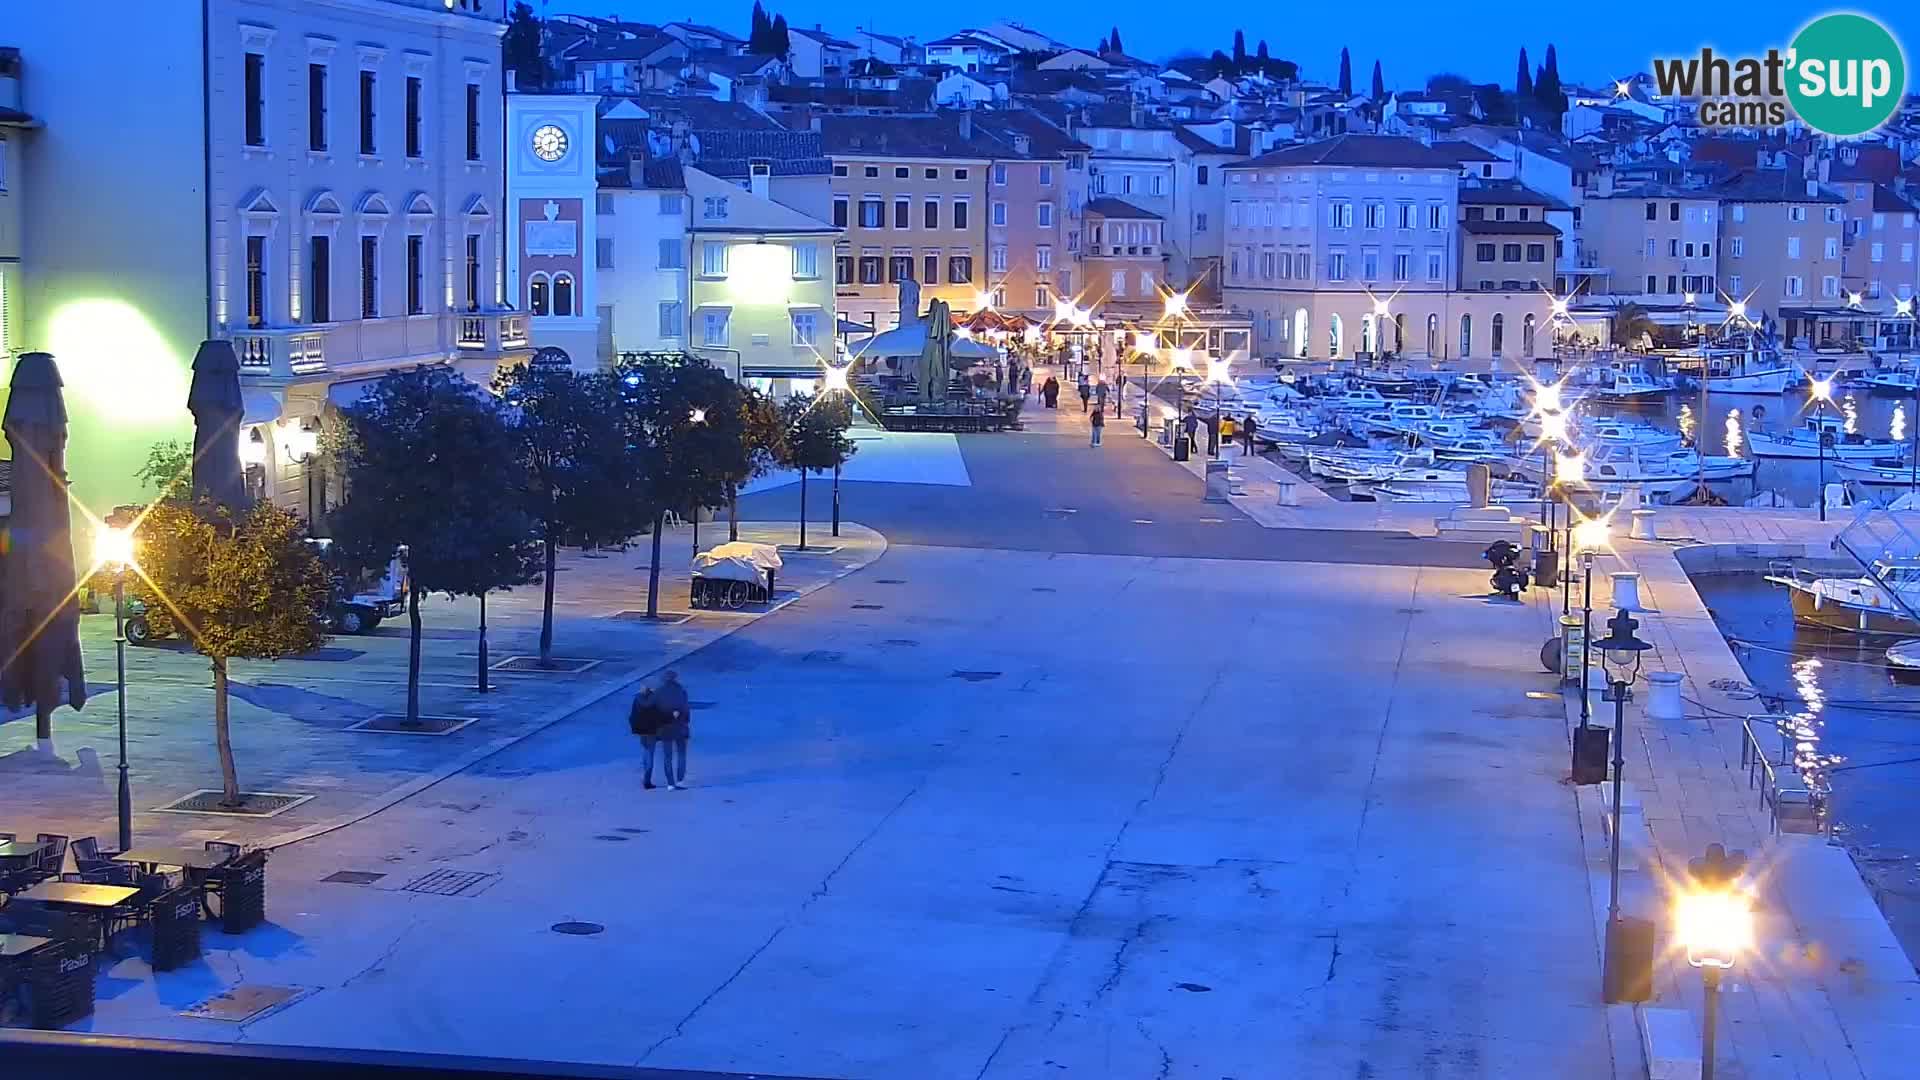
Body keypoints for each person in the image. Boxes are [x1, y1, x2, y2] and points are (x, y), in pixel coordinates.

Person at [654, 670, 692, 790]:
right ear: (675, 678)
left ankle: (670, 783)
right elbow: (686, 710)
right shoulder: (681, 691)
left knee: (667, 756)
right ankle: (680, 780)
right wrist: (685, 722)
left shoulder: (659, 692)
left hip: (665, 728)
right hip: (680, 727)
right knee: (681, 754)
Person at [628, 687, 666, 790]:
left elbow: (633, 715)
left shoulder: (637, 699)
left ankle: (645, 772)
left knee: (645, 751)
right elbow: (660, 716)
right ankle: (647, 780)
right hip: (652, 731)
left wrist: (634, 726)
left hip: (641, 730)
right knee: (650, 753)